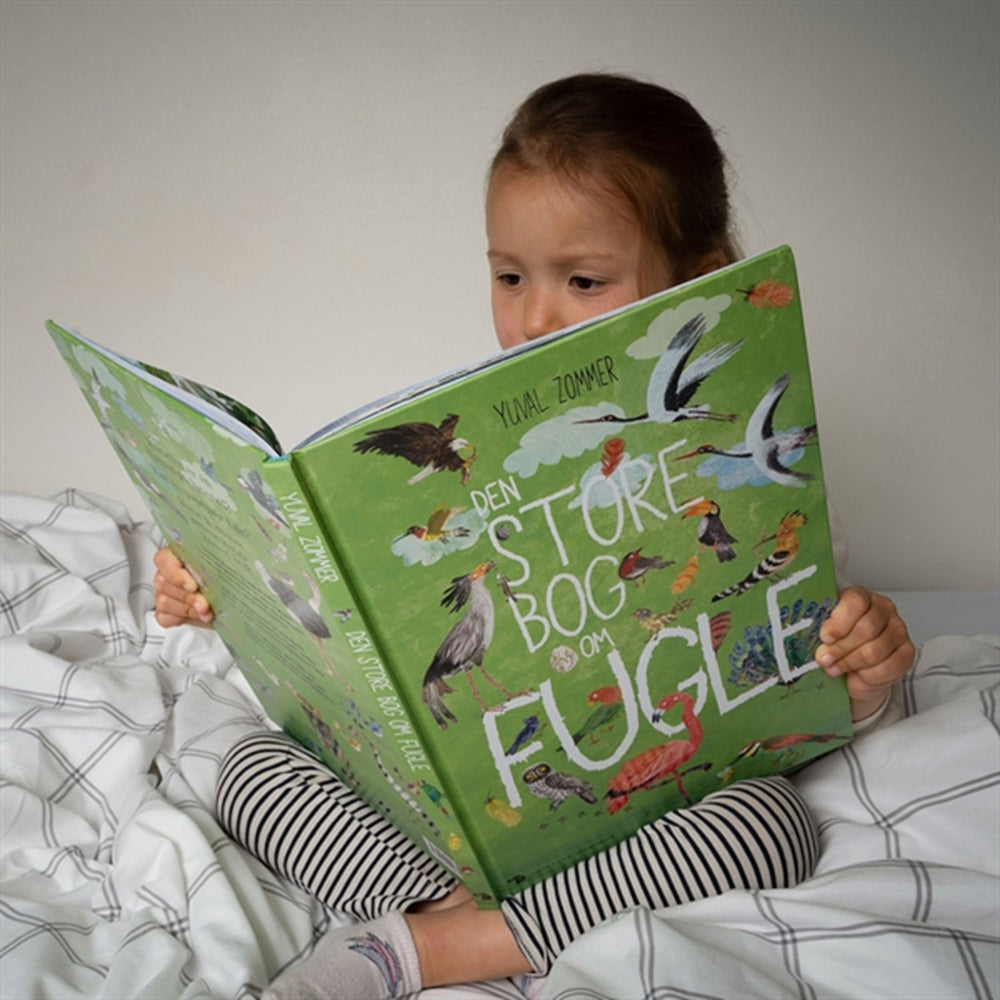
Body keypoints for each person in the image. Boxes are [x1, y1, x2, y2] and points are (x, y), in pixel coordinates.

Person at [153, 73, 915, 998]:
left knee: (769, 824)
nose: (533, 318)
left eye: (583, 281)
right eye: (509, 276)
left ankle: (425, 949)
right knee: (245, 766)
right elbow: (332, 672)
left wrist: (863, 678)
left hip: (646, 818)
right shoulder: (476, 448)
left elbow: (790, 697)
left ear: (700, 277)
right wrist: (224, 591)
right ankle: (462, 912)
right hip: (456, 828)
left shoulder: (744, 472)